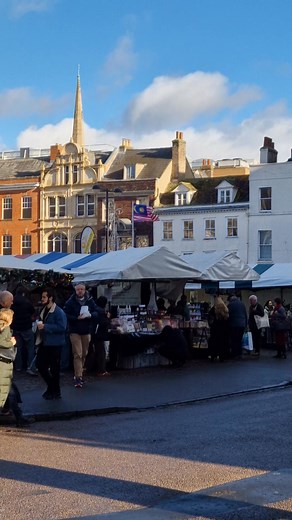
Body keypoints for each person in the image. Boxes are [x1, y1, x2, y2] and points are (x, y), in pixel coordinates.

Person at [63, 283, 98, 388]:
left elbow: (97, 311)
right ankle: (78, 377)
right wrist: (75, 318)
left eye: (82, 289)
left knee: (84, 353)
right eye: (78, 289)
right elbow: (65, 314)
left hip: (86, 330)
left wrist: (90, 315)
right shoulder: (70, 302)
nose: (80, 291)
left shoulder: (90, 300)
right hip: (75, 330)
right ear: (75, 290)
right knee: (77, 353)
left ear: (85, 290)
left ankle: (80, 373)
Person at [35, 288, 67, 400]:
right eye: (42, 297)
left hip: (55, 344)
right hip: (45, 342)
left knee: (54, 368)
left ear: (51, 298)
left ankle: (55, 390)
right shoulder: (43, 310)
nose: (42, 299)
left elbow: (62, 327)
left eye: (44, 297)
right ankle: (52, 387)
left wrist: (45, 327)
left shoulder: (58, 312)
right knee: (40, 366)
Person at [0, 305, 29, 427]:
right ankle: (19, 417)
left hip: (3, 364)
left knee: (9, 392)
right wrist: (11, 342)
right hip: (4, 364)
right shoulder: (5, 328)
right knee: (8, 392)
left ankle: (19, 416)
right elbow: (2, 342)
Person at [11, 285, 36, 374]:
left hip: (16, 327)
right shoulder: (27, 302)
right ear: (24, 293)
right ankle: (30, 366)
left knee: (18, 347)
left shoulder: (12, 301)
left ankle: (18, 366)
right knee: (30, 347)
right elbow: (33, 312)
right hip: (26, 327)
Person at [91, 296, 111, 376]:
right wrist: (108, 318)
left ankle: (92, 367)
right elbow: (103, 322)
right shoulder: (102, 312)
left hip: (95, 333)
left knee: (95, 351)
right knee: (101, 351)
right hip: (99, 334)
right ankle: (101, 369)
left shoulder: (95, 310)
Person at [208, 296, 229, 361]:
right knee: (222, 343)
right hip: (224, 329)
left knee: (214, 342)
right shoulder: (225, 309)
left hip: (215, 329)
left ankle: (213, 356)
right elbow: (227, 319)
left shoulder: (213, 309)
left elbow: (210, 319)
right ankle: (222, 356)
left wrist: (211, 325)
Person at [227, 295, 247, 359]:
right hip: (242, 324)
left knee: (234, 339)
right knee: (239, 339)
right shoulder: (242, 304)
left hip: (234, 324)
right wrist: (245, 324)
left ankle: (234, 353)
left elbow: (228, 315)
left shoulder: (230, 305)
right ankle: (239, 353)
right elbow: (245, 314)